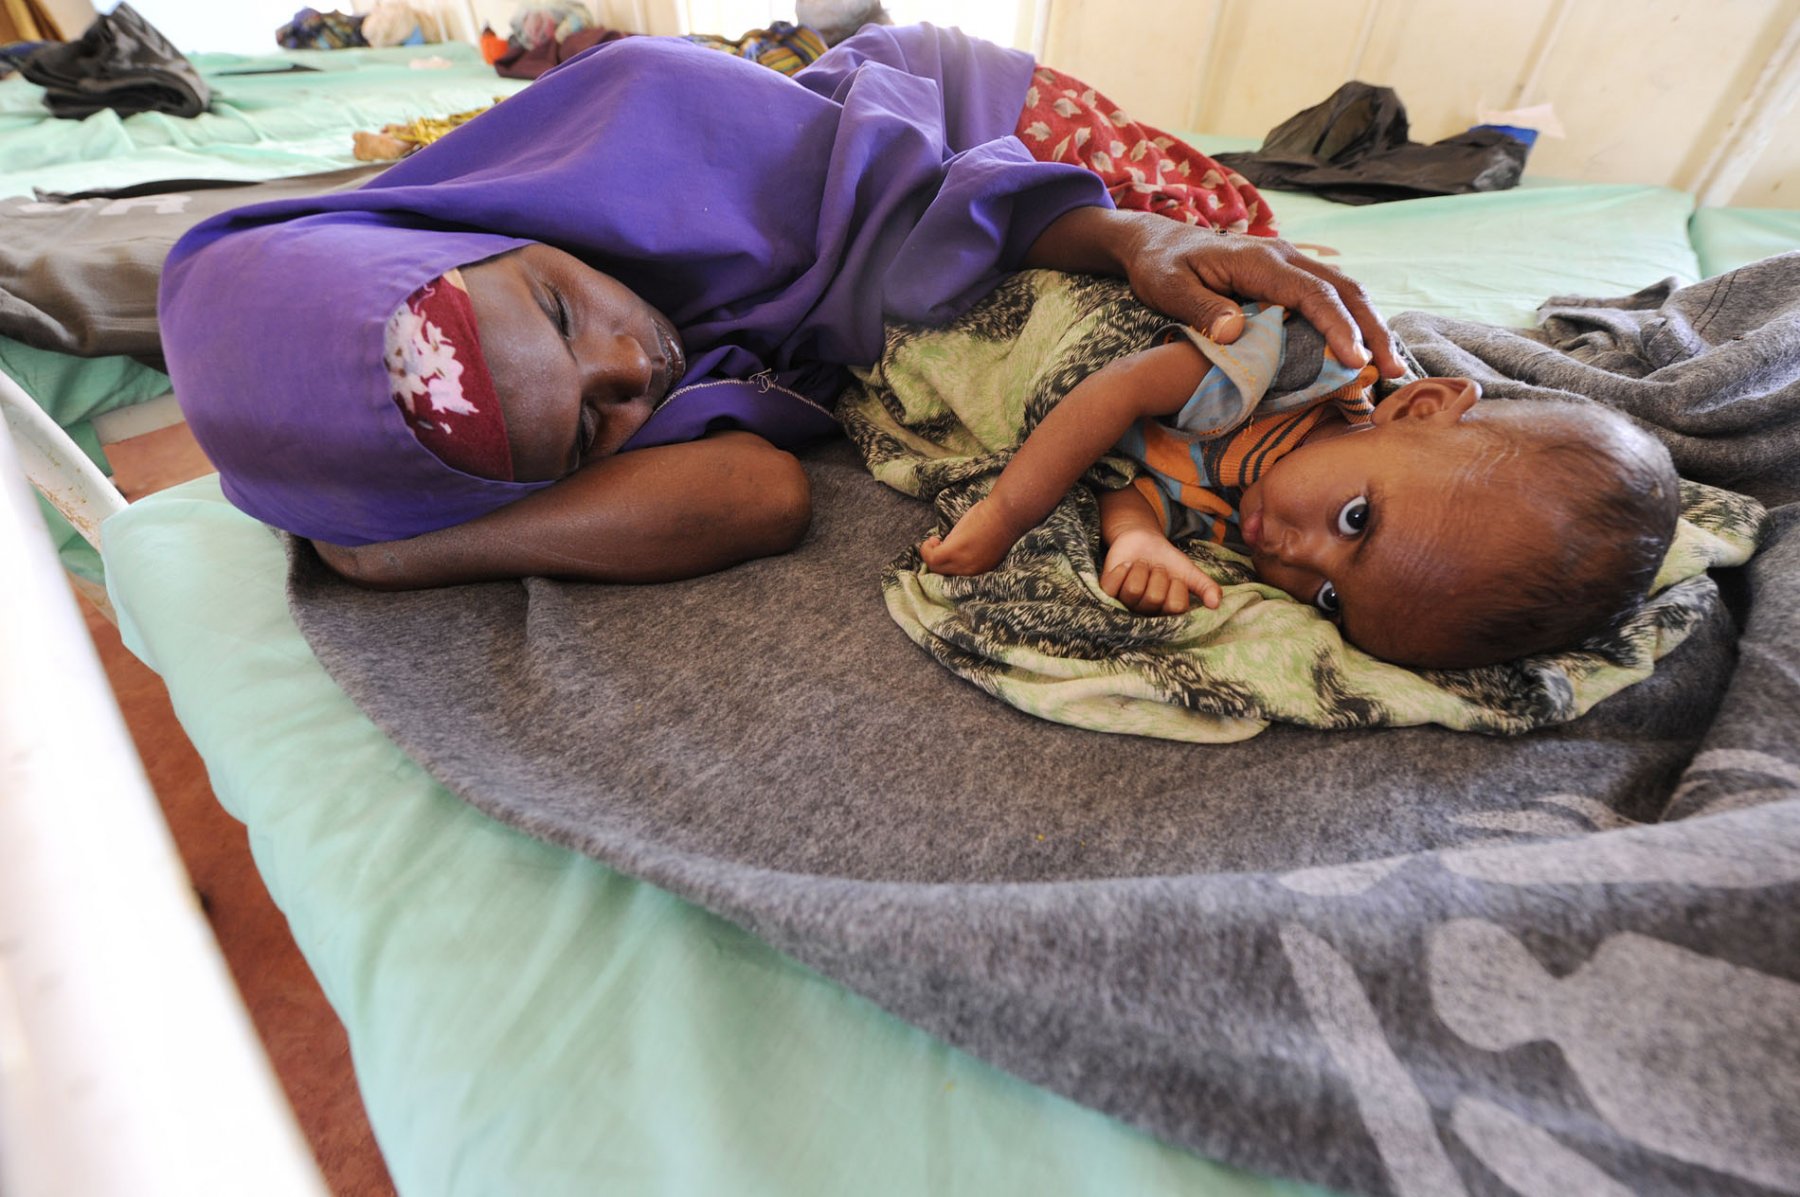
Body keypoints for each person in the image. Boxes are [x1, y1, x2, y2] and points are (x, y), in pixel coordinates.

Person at [159, 24, 1403, 590]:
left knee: (1256, 265)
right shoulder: (512, 417)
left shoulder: (650, 107)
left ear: (486, 233)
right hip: (924, 226)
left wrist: (1134, 234)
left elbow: (913, 199)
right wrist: (395, 552)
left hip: (979, 126)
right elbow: (755, 495)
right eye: (591, 429)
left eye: (557, 305)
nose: (633, 368)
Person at [895, 274, 1681, 669]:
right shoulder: (1291, 367)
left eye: (1333, 598)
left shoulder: (1246, 507)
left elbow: (1139, 492)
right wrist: (1005, 513)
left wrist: (1134, 543)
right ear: (1415, 409)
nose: (1299, 559)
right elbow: (1119, 387)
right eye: (1356, 522)